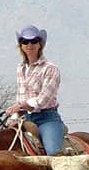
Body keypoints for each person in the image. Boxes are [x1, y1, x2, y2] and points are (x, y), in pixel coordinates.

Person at [5, 24, 65, 156]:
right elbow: (20, 95)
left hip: (47, 118)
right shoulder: (20, 68)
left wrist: (20, 105)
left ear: (40, 44)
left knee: (53, 154)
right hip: (24, 118)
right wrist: (15, 114)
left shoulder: (50, 68)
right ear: (21, 45)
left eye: (34, 41)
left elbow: (43, 100)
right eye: (25, 41)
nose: (29, 45)